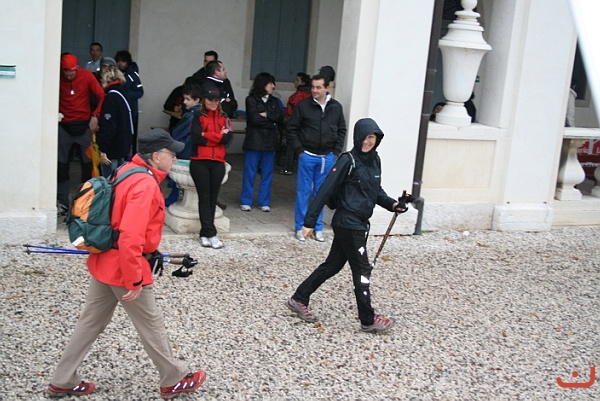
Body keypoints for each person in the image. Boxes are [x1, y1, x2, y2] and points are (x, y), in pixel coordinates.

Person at [46, 129, 206, 399]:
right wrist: (134, 279)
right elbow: (131, 236)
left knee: (89, 323)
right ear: (155, 156)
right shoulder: (145, 185)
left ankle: (61, 380)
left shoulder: (127, 170)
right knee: (151, 324)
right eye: (171, 153)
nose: (174, 157)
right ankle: (174, 378)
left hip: (105, 260)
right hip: (125, 265)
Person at [286, 117, 408, 333]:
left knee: (332, 265)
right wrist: (309, 221)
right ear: (357, 137)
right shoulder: (347, 160)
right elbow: (325, 190)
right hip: (348, 223)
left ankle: (299, 298)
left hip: (359, 223)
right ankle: (368, 319)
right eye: (365, 137)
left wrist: (393, 205)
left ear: (377, 139)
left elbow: (375, 191)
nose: (368, 142)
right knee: (362, 269)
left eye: (372, 138)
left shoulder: (375, 160)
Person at [286, 74, 347, 242]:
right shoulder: (303, 106)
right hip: (307, 156)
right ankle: (301, 226)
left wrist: (335, 151)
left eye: (318, 87)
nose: (314, 90)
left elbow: (342, 129)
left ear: (327, 88)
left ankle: (317, 227)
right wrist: (300, 151)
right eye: (313, 87)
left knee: (322, 194)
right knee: (303, 192)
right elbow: (292, 129)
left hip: (327, 157)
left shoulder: (336, 107)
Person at [57, 53, 105, 214]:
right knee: (62, 165)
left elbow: (101, 95)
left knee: (88, 165)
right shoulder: (56, 77)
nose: (69, 74)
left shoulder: (86, 76)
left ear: (77, 68)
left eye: (72, 71)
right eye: (66, 71)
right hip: (64, 126)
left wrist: (95, 115)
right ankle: (62, 202)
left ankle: (85, 202)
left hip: (84, 126)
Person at [189, 83, 233, 249]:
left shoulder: (224, 116)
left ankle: (204, 233)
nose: (213, 103)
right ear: (204, 100)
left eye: (216, 100)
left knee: (212, 199)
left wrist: (207, 135)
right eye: (210, 100)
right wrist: (218, 136)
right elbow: (196, 138)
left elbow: (228, 139)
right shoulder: (198, 115)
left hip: (218, 162)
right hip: (200, 161)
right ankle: (211, 233)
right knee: (204, 198)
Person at [240, 73, 284, 212]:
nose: (273, 86)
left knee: (267, 173)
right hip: (254, 141)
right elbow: (254, 119)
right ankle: (246, 200)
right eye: (270, 83)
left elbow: (280, 117)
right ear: (262, 84)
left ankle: (264, 201)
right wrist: (271, 122)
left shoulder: (275, 101)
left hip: (270, 142)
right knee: (250, 172)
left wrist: (266, 115)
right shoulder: (251, 100)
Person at [164, 84, 203, 206]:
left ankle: (173, 201)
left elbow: (177, 133)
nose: (185, 102)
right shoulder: (201, 113)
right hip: (194, 150)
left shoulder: (191, 115)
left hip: (186, 149)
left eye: (188, 99)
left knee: (177, 179)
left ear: (197, 100)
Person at [96, 57, 133, 178]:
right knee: (120, 179)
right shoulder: (123, 94)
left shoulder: (111, 97)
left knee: (109, 181)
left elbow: (108, 126)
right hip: (123, 146)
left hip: (112, 149)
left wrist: (103, 149)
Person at [115, 50, 144, 154]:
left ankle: (129, 156)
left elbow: (140, 92)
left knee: (129, 135)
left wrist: (125, 95)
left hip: (131, 110)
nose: (120, 63)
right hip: (117, 110)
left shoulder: (133, 75)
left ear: (127, 62)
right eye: (119, 61)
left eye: (123, 61)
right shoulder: (115, 74)